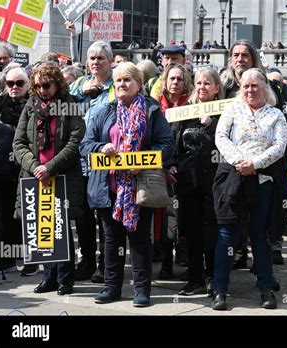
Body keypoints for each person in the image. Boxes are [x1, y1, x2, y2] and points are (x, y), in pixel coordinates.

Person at [80, 62, 174, 307]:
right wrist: (102, 147)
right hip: (109, 186)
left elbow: (167, 145)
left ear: (139, 84)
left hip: (140, 187)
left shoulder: (152, 110)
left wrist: (143, 160)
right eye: (119, 80)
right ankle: (111, 287)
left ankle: (141, 291)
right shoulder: (104, 111)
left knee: (140, 240)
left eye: (127, 80)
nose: (122, 84)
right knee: (111, 240)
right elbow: (85, 145)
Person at [211, 68, 287, 310]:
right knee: (227, 235)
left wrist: (254, 164)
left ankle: (266, 288)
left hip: (263, 182)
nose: (250, 90)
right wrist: (239, 162)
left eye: (255, 85)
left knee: (260, 236)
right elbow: (221, 137)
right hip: (234, 180)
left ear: (265, 87)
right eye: (246, 86)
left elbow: (279, 147)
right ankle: (219, 290)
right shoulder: (232, 110)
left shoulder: (276, 115)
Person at [13, 62, 86, 295]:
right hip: (35, 176)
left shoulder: (70, 105)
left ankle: (66, 278)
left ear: (56, 83)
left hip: (61, 174)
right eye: (37, 86)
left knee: (60, 229)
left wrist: (50, 167)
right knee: (42, 230)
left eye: (46, 85)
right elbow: (18, 143)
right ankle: (48, 278)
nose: (42, 90)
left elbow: (75, 141)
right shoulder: (30, 107)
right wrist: (35, 167)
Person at [173, 67, 224, 296]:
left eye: (207, 84)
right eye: (199, 83)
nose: (202, 87)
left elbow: (230, 144)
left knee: (212, 232)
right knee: (191, 230)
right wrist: (170, 164)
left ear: (216, 89)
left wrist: (211, 125)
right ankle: (194, 278)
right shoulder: (185, 112)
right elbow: (173, 141)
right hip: (188, 182)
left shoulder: (226, 113)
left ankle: (213, 277)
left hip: (214, 182)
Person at [70, 41, 116, 284]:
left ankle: (104, 264)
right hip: (79, 156)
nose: (96, 62)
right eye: (92, 58)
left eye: (101, 58)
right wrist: (82, 91)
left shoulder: (115, 85)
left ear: (110, 61)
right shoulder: (79, 83)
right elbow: (64, 105)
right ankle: (86, 260)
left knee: (104, 214)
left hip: (104, 156)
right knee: (83, 214)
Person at [155, 63, 193, 279]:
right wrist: (164, 166)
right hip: (162, 171)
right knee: (166, 218)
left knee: (185, 216)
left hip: (186, 170)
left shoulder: (194, 105)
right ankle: (166, 262)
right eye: (172, 79)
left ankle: (186, 257)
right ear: (165, 82)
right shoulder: (156, 107)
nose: (176, 82)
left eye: (179, 79)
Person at [0, 67, 31, 276]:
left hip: (25, 168)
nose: (14, 87)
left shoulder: (34, 106)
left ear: (27, 85)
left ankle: (28, 258)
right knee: (2, 216)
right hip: (1, 170)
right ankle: (6, 257)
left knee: (25, 216)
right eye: (10, 84)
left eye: (19, 83)